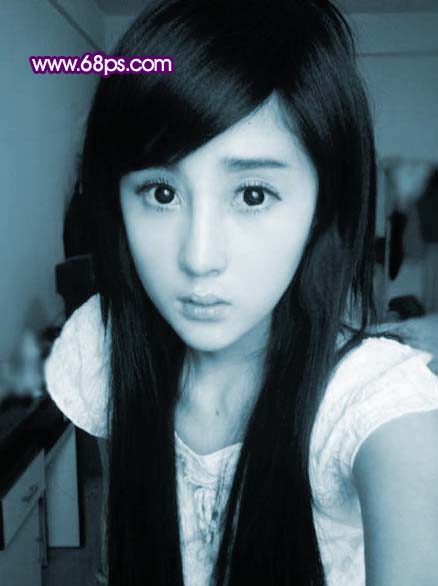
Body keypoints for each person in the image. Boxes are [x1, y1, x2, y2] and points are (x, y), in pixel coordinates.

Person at [44, 1, 438, 585]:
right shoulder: (100, 347)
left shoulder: (373, 403)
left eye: (253, 194)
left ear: (321, 207)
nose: (199, 258)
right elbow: (120, 549)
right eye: (160, 193)